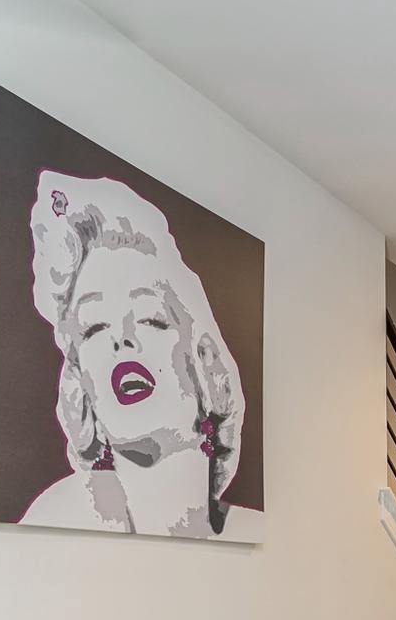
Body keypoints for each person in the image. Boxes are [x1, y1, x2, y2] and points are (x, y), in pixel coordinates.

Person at [20, 171, 261, 540]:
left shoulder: (253, 531)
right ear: (81, 384)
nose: (122, 339)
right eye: (94, 328)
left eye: (150, 318)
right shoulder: (58, 520)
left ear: (205, 367)